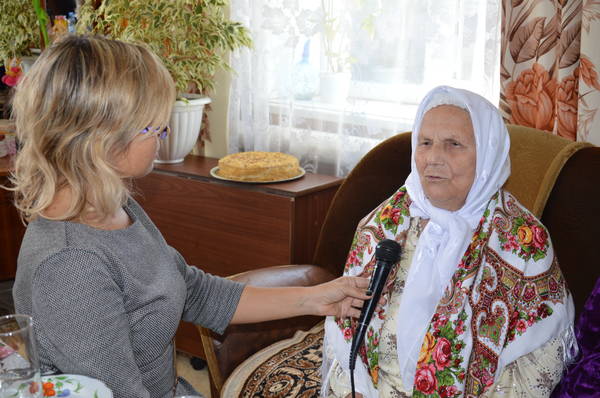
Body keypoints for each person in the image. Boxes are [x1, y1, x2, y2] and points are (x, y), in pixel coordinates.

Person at [7, 35, 373, 398]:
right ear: (102, 140)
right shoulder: (70, 266)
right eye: (153, 127)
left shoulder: (112, 205)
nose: (162, 137)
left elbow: (192, 291)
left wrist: (314, 298)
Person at [321, 86, 577, 398]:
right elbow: (342, 325)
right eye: (425, 143)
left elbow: (539, 361)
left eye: (453, 145)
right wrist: (354, 390)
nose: (433, 158)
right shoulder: (386, 222)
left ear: (487, 155)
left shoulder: (523, 242)